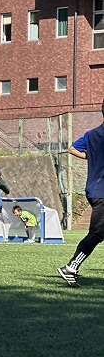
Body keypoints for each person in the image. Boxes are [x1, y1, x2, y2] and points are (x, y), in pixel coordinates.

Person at [58, 99, 104, 287]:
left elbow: (72, 149)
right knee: (97, 233)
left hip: (94, 190)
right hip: (102, 194)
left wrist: (91, 156)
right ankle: (71, 267)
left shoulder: (92, 134)